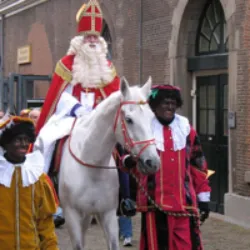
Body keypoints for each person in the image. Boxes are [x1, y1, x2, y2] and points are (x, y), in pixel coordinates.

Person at [35, 0, 123, 228]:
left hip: (99, 118)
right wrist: (76, 108)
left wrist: (99, 112)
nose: (92, 41)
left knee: (122, 147)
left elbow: (115, 97)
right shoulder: (66, 64)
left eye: (96, 37)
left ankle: (125, 199)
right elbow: (58, 95)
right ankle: (45, 192)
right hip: (70, 116)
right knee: (47, 141)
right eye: (88, 37)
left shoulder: (108, 67)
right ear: (80, 39)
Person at [122, 85, 211, 250]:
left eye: (173, 103)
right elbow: (125, 152)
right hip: (155, 204)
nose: (170, 107)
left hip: (185, 204)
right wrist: (127, 160)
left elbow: (198, 164)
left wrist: (203, 197)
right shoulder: (145, 128)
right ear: (155, 106)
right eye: (165, 103)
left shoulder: (186, 130)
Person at [0, 116, 58, 249]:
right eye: (18, 140)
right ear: (6, 143)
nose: (24, 144)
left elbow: (45, 222)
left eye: (26, 140)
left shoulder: (38, 178)